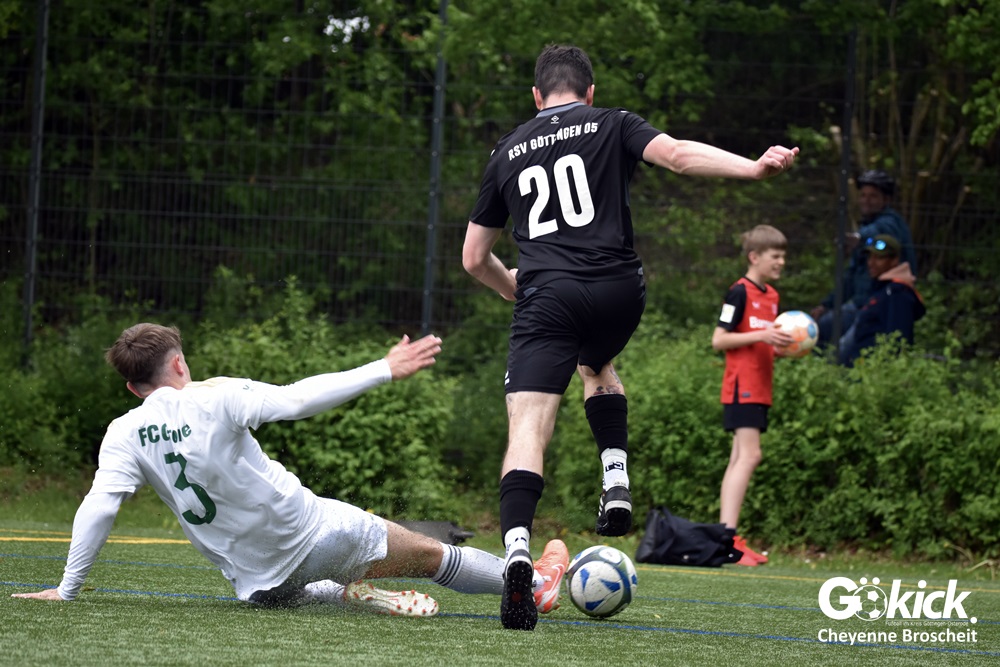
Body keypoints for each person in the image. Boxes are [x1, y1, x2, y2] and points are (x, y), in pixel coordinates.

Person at [461, 44, 798, 629]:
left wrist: (514, 288)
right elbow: (680, 157)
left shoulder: (507, 150)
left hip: (546, 295)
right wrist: (753, 167)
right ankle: (615, 475)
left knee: (529, 424)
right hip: (619, 289)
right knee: (596, 363)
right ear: (589, 92)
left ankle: (516, 550)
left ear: (536, 97)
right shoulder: (612, 121)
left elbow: (473, 257)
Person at [11, 323, 569, 619]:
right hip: (320, 535)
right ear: (179, 363)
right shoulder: (216, 394)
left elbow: (99, 508)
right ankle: (537, 588)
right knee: (432, 556)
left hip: (257, 585)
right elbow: (298, 399)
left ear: (134, 387)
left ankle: (343, 593)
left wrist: (66, 589)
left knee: (297, 587)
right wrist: (382, 368)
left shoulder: (123, 432)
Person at [710, 225, 794, 566]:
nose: (781, 262)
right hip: (741, 386)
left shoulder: (771, 296)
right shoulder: (738, 292)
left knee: (739, 458)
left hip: (761, 388)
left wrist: (783, 347)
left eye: (783, 256)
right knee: (750, 456)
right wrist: (762, 336)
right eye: (776, 256)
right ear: (754, 257)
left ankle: (727, 540)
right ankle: (728, 541)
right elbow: (719, 339)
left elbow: (764, 341)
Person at [811, 170, 917, 354]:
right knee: (819, 330)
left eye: (873, 196)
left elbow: (880, 231)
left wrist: (859, 238)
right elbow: (850, 276)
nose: (866, 200)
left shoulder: (891, 223)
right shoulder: (867, 226)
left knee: (846, 350)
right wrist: (827, 304)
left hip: (881, 305)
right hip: (860, 303)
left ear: (886, 199)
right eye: (863, 195)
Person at [841, 234, 925, 366]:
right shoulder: (882, 289)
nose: (871, 263)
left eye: (879, 258)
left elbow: (898, 340)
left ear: (894, 260)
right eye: (870, 257)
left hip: (873, 370)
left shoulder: (897, 293)